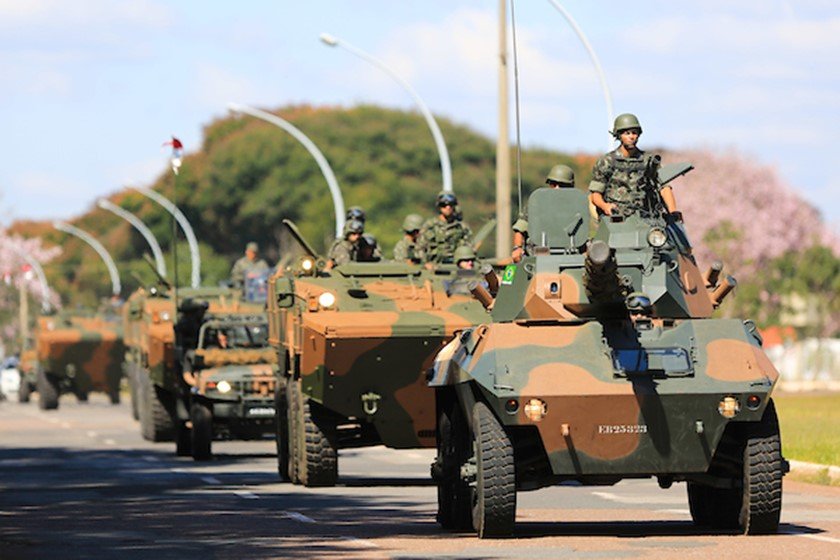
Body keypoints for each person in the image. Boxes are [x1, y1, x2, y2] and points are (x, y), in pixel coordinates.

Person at [588, 113, 677, 220]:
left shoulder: (648, 161)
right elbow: (595, 194)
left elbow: (664, 187)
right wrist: (605, 206)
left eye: (634, 133)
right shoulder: (607, 161)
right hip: (616, 218)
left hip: (646, 218)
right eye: (627, 133)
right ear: (619, 135)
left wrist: (673, 212)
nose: (631, 137)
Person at [511, 164, 576, 263]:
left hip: (569, 255)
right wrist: (517, 248)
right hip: (537, 254)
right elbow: (520, 229)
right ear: (549, 185)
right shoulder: (536, 204)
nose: (557, 188)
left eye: (562, 185)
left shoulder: (576, 207)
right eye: (554, 184)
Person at [417, 192, 473, 266]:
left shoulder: (461, 227)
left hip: (457, 267)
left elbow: (469, 248)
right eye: (444, 205)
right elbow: (419, 247)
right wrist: (426, 264)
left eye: (451, 204)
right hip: (434, 267)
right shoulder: (430, 226)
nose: (448, 207)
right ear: (439, 207)